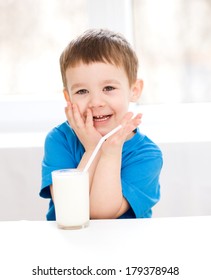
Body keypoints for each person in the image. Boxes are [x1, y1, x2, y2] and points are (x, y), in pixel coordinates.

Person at [40, 29, 163, 220]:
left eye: (108, 88)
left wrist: (109, 152)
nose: (96, 102)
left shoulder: (146, 155)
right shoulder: (59, 140)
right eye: (82, 91)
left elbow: (101, 214)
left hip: (122, 246)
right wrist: (93, 149)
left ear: (134, 90)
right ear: (68, 97)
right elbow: (69, 207)